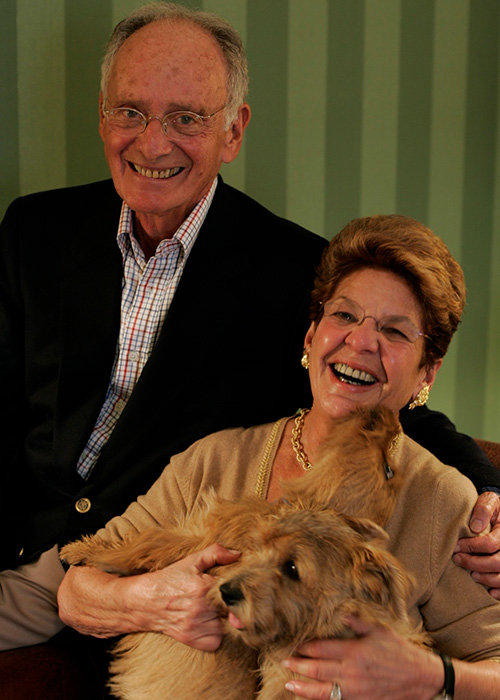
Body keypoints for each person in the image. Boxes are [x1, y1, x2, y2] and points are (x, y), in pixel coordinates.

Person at [0, 1, 499, 653]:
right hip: (28, 540)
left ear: (233, 131)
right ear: (103, 116)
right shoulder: (36, 230)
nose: (153, 143)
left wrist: (488, 490)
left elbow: (378, 399)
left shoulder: (294, 269)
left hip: (157, 562)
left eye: (187, 118)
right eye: (132, 112)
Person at [59, 214, 500, 699]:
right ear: (311, 338)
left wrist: (428, 675)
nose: (362, 341)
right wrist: (147, 600)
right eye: (345, 316)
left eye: (396, 332)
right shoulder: (215, 460)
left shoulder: (444, 501)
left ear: (426, 375)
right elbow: (77, 591)